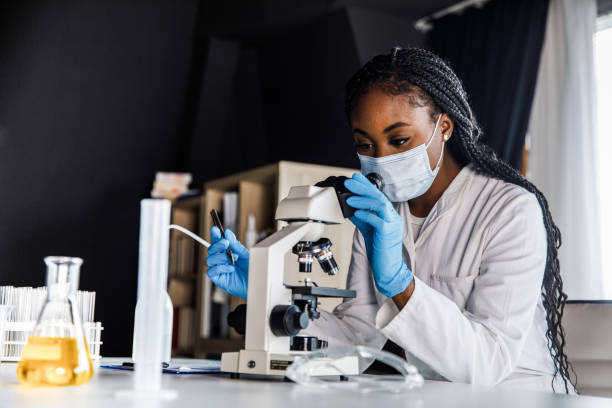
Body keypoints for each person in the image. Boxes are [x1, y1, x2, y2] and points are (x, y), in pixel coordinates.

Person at [205, 47, 576, 393]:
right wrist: (265, 292)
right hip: (437, 395)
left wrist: (400, 284)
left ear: (444, 127)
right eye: (365, 146)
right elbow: (359, 334)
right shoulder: (377, 214)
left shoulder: (509, 210)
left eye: (399, 141)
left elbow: (487, 364)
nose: (380, 159)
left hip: (518, 395)